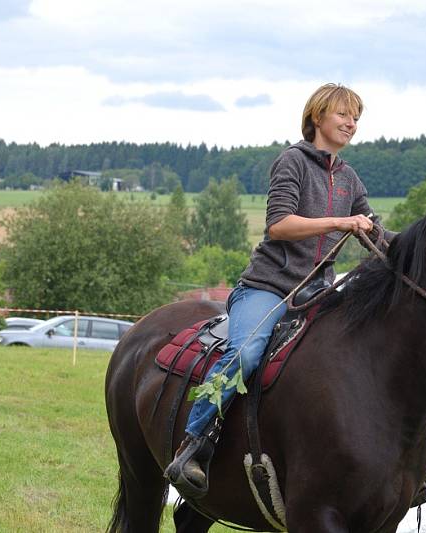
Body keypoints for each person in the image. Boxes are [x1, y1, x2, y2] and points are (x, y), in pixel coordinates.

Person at [165, 83, 395, 497]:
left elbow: (376, 232)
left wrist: (420, 246)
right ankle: (194, 445)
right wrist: (339, 223)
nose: (351, 123)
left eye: (356, 117)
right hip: (268, 289)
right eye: (342, 114)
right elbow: (279, 225)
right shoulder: (292, 161)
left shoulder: (348, 178)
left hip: (320, 295)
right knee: (247, 352)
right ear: (317, 117)